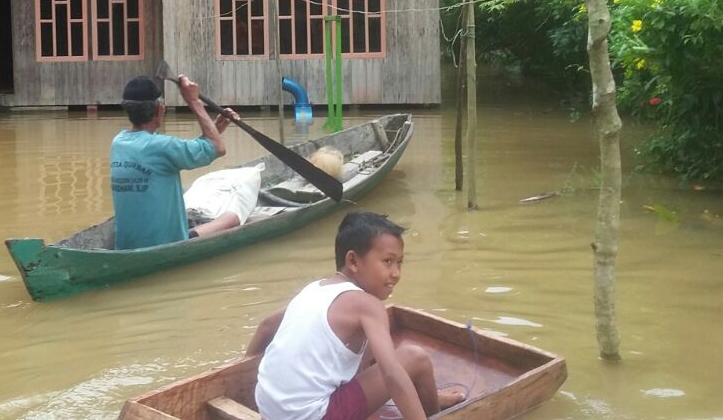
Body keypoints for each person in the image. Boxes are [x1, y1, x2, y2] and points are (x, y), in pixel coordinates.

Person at [246, 212, 466, 420]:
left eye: (399, 263)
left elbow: (266, 326)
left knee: (369, 345)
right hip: (315, 415)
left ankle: (432, 396)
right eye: (387, 261)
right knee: (415, 358)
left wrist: (245, 370)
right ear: (353, 261)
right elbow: (392, 374)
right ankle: (432, 410)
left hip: (269, 408)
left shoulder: (314, 289)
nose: (396, 273)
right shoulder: (369, 306)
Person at [110, 74, 243, 250]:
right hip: (169, 245)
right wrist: (194, 101)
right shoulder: (162, 146)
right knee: (232, 218)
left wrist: (215, 129)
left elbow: (199, 147)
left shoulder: (118, 143)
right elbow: (217, 148)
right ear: (160, 109)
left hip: (125, 246)